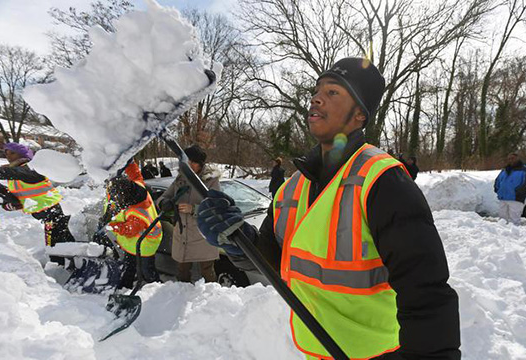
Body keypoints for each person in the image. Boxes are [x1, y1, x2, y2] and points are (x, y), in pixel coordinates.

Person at [196, 58, 460, 359]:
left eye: (333, 92)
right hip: (315, 352)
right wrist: (235, 237)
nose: (316, 97)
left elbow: (426, 290)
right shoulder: (292, 188)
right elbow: (273, 262)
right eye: (317, 90)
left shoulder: (384, 181)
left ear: (360, 113)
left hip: (378, 354)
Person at [0, 142, 75, 263]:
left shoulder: (31, 169)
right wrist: (10, 202)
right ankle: (67, 263)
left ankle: (66, 266)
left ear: (23, 154)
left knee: (56, 246)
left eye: (12, 153)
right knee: (58, 244)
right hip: (43, 213)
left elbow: (10, 173)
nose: (8, 156)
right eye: (6, 153)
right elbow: (19, 193)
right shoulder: (16, 171)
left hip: (52, 211)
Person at [157, 145, 221, 283]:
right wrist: (164, 203)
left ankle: (213, 298)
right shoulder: (181, 178)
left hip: (202, 234)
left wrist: (194, 209)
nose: (190, 165)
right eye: (188, 161)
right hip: (182, 233)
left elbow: (217, 207)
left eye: (193, 162)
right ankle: (181, 296)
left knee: (207, 271)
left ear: (200, 163)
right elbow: (163, 197)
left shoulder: (211, 180)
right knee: (182, 270)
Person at [104, 161, 162, 289]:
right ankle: (125, 286)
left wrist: (113, 226)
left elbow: (129, 230)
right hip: (134, 243)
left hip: (146, 243)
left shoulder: (138, 211)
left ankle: (159, 290)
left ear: (126, 197)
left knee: (147, 271)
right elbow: (135, 174)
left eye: (118, 199)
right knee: (130, 264)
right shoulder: (137, 186)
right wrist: (129, 161)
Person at [494, 152, 526, 225]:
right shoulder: (504, 170)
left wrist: (518, 192)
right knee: (502, 221)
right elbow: (498, 180)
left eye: (513, 158)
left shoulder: (525, 170)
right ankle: (501, 235)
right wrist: (497, 189)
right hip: (503, 198)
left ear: (518, 158)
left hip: (515, 198)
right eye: (509, 159)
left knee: (514, 220)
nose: (511, 160)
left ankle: (514, 235)